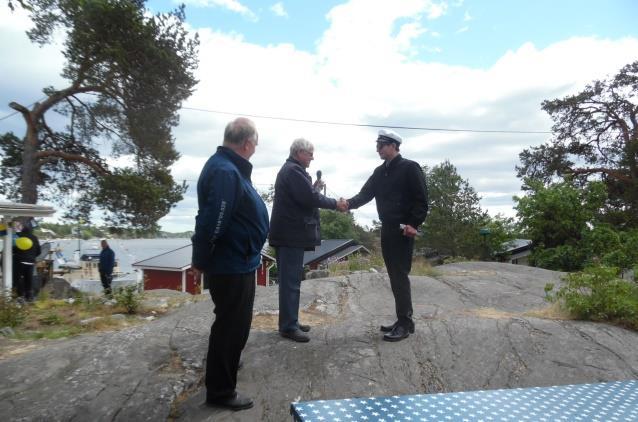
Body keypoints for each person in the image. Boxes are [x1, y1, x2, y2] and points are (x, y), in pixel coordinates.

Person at [191, 117, 269, 411]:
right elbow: (215, 219)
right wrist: (200, 257)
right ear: (247, 143)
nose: (255, 149)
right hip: (231, 262)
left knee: (234, 324)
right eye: (256, 145)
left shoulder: (226, 167)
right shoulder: (225, 171)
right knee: (231, 326)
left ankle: (227, 367)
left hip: (238, 259)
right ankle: (221, 391)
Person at [344, 129, 428, 342]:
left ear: (393, 146)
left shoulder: (410, 168)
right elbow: (365, 194)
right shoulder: (380, 172)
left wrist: (413, 223)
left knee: (400, 275)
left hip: (403, 229)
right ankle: (402, 319)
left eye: (382, 145)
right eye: (377, 145)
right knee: (393, 275)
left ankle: (406, 324)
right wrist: (346, 205)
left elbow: (421, 200)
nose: (378, 149)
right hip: (387, 228)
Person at [269, 138, 347, 342]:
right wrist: (335, 204)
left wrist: (312, 188)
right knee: (290, 282)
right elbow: (309, 199)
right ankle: (288, 326)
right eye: (310, 153)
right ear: (299, 153)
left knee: (292, 280)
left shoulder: (292, 170)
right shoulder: (293, 171)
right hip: (290, 235)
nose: (313, 157)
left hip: (289, 234)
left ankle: (290, 321)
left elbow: (304, 196)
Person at [12, 221, 41, 302]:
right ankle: (29, 298)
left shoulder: (18, 236)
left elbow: (13, 249)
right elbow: (39, 251)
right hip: (30, 262)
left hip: (19, 261)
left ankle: (17, 297)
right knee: (28, 280)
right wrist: (32, 256)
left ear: (22, 229)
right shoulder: (34, 238)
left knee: (16, 279)